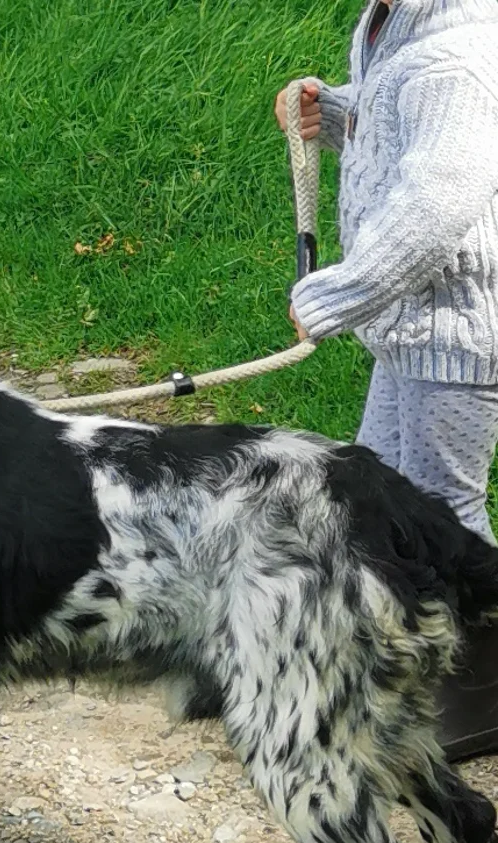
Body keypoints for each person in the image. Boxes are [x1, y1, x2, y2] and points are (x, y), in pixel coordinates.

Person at [274, 0, 498, 761]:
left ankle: (477, 688)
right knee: (378, 489)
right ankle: (397, 661)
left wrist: (341, 291)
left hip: (458, 333)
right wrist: (336, 115)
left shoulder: (456, 59)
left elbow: (441, 199)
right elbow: (397, 128)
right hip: (411, 327)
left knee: (445, 508)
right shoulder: (392, 24)